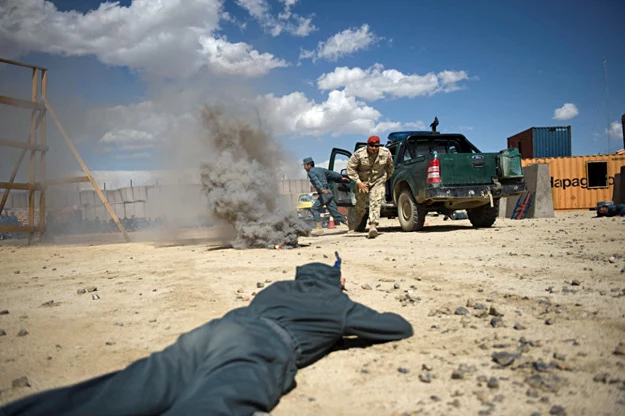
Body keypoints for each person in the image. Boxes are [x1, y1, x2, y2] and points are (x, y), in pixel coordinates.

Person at [0, 254, 413, 416]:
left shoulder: (275, 288)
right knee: (211, 405)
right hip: (262, 347)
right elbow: (398, 327)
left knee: (121, 390)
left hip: (214, 332)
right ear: (336, 283)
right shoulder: (337, 306)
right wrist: (342, 322)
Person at [346, 135, 395, 239]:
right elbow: (350, 169)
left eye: (376, 146)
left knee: (376, 201)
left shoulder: (385, 153)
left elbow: (390, 167)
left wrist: (385, 178)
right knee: (360, 206)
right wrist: (358, 182)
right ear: (367, 145)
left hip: (378, 180)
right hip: (362, 182)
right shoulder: (359, 154)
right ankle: (356, 224)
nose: (373, 148)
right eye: (371, 145)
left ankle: (373, 226)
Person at [303, 157, 350, 234]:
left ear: (309, 165)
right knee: (334, 212)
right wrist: (341, 178)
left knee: (314, 209)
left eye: (305, 165)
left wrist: (321, 189)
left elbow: (316, 181)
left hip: (325, 193)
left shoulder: (311, 172)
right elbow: (332, 174)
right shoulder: (320, 169)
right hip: (329, 193)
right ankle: (350, 225)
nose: (304, 168)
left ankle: (319, 228)